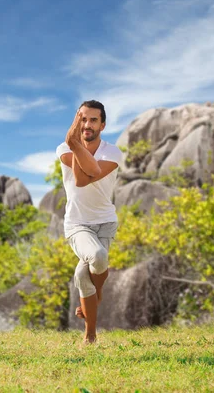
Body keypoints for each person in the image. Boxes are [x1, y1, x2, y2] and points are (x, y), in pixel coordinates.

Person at [55, 100, 122, 344]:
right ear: (76, 122)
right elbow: (81, 180)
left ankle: (90, 336)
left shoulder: (112, 152)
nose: (87, 124)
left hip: (105, 222)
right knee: (97, 257)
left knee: (84, 274)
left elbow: (88, 173)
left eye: (93, 120)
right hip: (77, 224)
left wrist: (76, 144)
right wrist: (73, 142)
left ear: (102, 125)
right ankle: (98, 298)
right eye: (82, 119)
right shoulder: (64, 148)